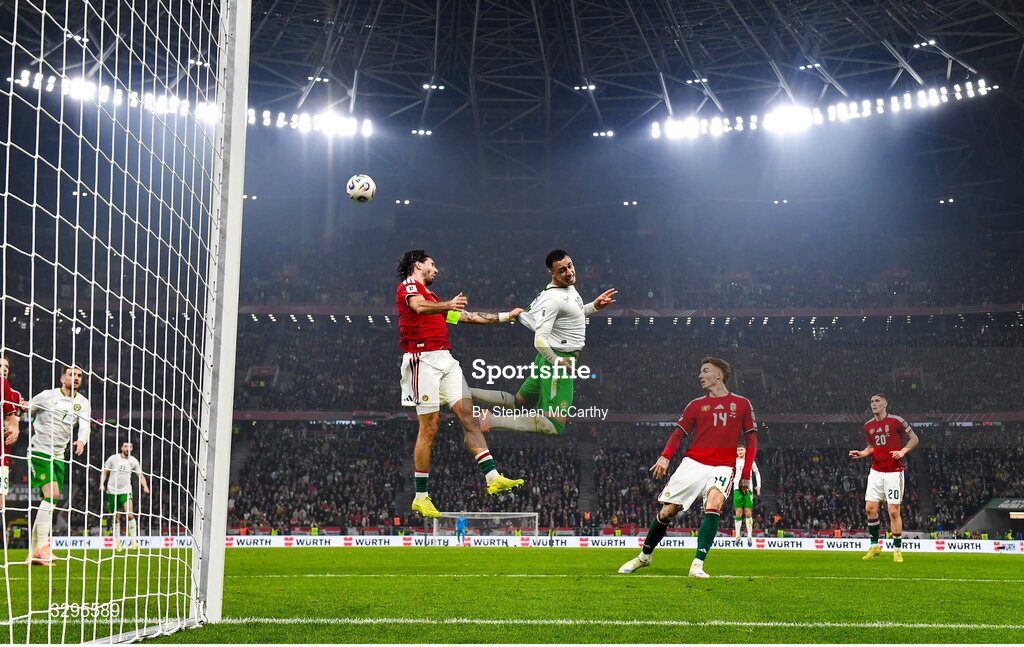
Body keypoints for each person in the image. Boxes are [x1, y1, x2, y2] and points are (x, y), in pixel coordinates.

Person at [395, 250, 525, 518]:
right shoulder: (409, 287)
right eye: (432, 265)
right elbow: (417, 307)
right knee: (430, 427)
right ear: (418, 265)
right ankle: (421, 497)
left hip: (446, 360)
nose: (436, 270)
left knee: (469, 416)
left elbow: (469, 317)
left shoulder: (435, 300)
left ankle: (493, 477)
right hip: (423, 361)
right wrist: (448, 304)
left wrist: (507, 316)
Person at [618, 357, 758, 578]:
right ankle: (644, 556)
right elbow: (678, 434)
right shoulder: (695, 405)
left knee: (714, 503)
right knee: (667, 512)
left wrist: (745, 473)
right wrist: (665, 457)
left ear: (719, 375)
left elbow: (751, 441)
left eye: (705, 371)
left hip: (723, 466)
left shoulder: (741, 404)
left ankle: (697, 565)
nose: (700, 375)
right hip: (693, 463)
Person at [472, 249, 616, 435]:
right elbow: (539, 340)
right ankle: (492, 419)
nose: (569, 272)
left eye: (570, 266)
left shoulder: (565, 288)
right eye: (562, 270)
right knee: (553, 424)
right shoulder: (553, 299)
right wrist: (557, 361)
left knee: (519, 403)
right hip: (559, 360)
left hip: (549, 360)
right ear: (552, 273)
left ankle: (465, 391)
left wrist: (594, 306)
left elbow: (569, 317)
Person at [27, 366, 91, 566]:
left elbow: (85, 426)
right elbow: (27, 408)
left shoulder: (82, 403)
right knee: (53, 495)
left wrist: (81, 441)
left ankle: (34, 552)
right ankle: (42, 548)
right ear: (62, 378)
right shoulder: (47, 396)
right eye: (72, 374)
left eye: (79, 375)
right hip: (39, 451)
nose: (76, 378)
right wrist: (18, 415)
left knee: (50, 500)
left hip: (59, 456)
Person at [849, 392, 919, 562]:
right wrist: (862, 453)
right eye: (872, 401)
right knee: (869, 508)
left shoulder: (896, 421)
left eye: (877, 401)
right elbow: (871, 447)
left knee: (893, 511)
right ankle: (874, 546)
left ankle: (897, 549)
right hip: (876, 472)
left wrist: (903, 451)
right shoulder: (868, 426)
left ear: (885, 404)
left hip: (894, 472)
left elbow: (914, 439)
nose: (873, 404)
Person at [100, 441, 150, 551]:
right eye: (126, 446)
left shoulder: (133, 461)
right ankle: (118, 542)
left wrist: (145, 486)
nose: (128, 448)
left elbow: (140, 475)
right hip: (112, 491)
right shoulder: (113, 458)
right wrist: (101, 484)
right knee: (116, 517)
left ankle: (134, 540)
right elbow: (105, 472)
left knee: (130, 513)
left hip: (126, 491)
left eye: (130, 447)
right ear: (121, 448)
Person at [1, 356, 23, 510]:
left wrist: (14, 428)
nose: (4, 369)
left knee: (2, 502)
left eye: (7, 367)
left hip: (3, 455)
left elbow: (13, 420)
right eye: (0, 366)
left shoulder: (14, 395)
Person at [733, 444, 761, 546]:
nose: (740, 451)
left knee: (748, 512)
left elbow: (756, 472)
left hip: (748, 490)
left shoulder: (749, 461)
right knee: (738, 513)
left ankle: (749, 535)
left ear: (745, 451)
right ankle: (737, 535)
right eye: (738, 450)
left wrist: (758, 486)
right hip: (736, 488)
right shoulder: (733, 461)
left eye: (741, 450)